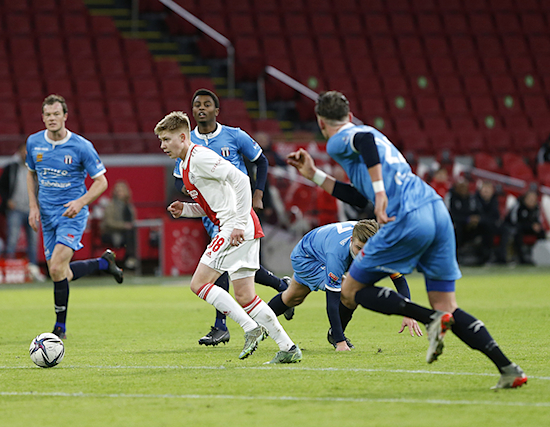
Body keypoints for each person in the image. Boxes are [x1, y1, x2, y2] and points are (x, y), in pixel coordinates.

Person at [287, 91, 526, 389]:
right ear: (349, 115)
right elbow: (358, 196)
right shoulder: (374, 135)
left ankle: (430, 319)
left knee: (349, 291)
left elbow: (364, 142)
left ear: (321, 122)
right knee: (447, 306)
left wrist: (380, 192)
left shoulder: (341, 139)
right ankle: (508, 368)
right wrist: (314, 174)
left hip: (407, 216)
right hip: (435, 209)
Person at [157, 111, 301, 363]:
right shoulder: (186, 164)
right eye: (161, 140)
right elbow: (216, 204)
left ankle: (250, 327)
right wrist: (186, 209)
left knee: (198, 284)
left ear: (182, 137)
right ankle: (288, 348)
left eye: (167, 139)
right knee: (245, 296)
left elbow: (241, 179)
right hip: (241, 224)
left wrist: (238, 224)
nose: (163, 146)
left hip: (235, 226)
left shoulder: (199, 157)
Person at [25, 94, 123, 339]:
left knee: (57, 267)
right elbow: (31, 173)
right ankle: (103, 263)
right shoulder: (34, 142)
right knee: (59, 272)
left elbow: (101, 182)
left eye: (56, 114)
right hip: (47, 216)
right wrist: (33, 206)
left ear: (65, 116)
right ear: (43, 117)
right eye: (48, 114)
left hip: (72, 214)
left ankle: (60, 328)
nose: (52, 118)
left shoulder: (81, 146)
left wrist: (80, 202)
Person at [268, 220, 422, 351]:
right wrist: (340, 341)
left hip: (316, 247)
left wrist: (408, 313)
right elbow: (332, 300)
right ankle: (336, 336)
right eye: (359, 248)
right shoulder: (337, 254)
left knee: (292, 297)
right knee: (351, 292)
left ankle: (259, 319)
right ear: (351, 240)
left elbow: (399, 280)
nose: (363, 254)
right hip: (307, 258)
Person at [0, 143, 45, 282]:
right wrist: (7, 200)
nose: (26, 153)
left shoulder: (37, 169)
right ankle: (10, 269)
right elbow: (0, 185)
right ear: (19, 152)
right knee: (12, 239)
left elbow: (43, 187)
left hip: (32, 210)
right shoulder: (12, 168)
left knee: (33, 242)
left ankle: (33, 270)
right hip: (16, 209)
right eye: (23, 151)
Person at [498, 190, 546, 264]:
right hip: (514, 227)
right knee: (516, 232)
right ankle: (520, 258)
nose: (532, 201)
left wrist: (537, 226)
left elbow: (538, 220)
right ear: (525, 199)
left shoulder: (536, 208)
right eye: (530, 198)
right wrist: (530, 226)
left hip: (528, 228)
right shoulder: (518, 205)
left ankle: (541, 256)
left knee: (542, 233)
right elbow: (514, 221)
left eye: (534, 199)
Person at [100, 181, 137, 270]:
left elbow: (133, 221)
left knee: (132, 233)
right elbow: (109, 223)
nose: (120, 193)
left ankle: (130, 259)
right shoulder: (110, 206)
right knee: (129, 234)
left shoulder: (129, 206)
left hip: (126, 233)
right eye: (118, 191)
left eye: (122, 191)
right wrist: (124, 225)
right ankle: (130, 258)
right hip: (111, 233)